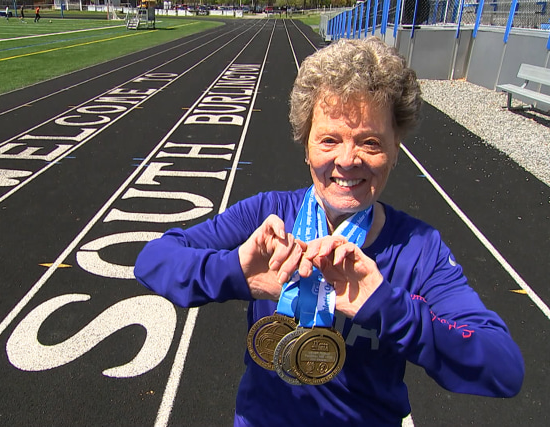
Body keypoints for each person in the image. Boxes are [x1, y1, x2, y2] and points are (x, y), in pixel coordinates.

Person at [134, 37, 525, 427]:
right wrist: (235, 272)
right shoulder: (268, 214)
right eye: (329, 140)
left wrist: (388, 308)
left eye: (370, 142)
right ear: (306, 147)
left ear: (395, 150)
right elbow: (154, 259)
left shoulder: (419, 249)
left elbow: (502, 366)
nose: (347, 159)